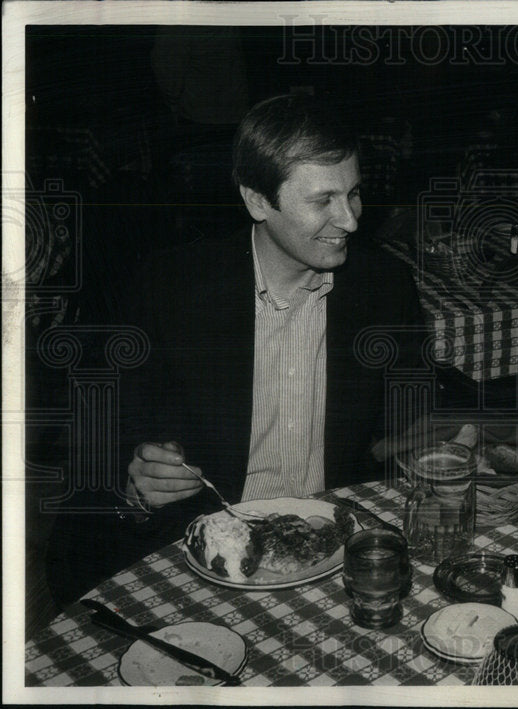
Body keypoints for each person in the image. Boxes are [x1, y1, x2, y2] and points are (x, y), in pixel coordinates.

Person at [45, 94, 427, 605]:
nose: (351, 220)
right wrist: (135, 482)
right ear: (256, 200)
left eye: (354, 194)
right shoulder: (169, 287)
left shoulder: (384, 286)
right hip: (202, 553)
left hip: (332, 555)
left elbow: (404, 426)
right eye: (322, 201)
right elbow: (93, 433)